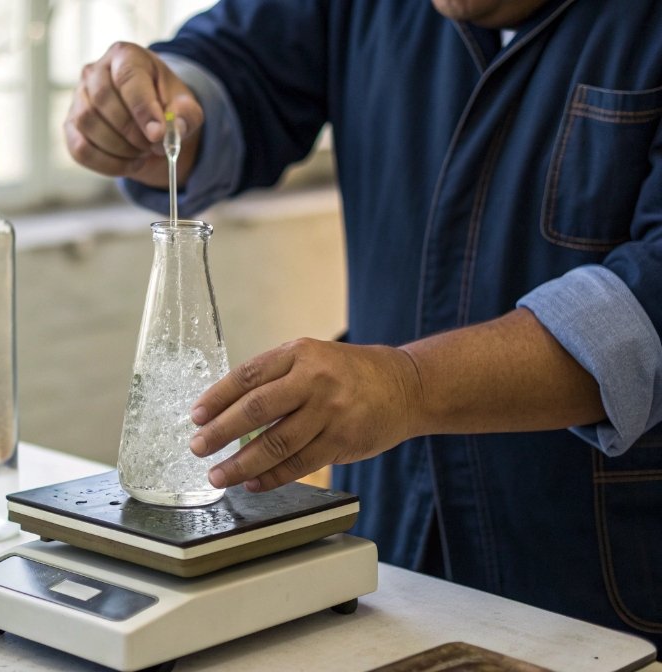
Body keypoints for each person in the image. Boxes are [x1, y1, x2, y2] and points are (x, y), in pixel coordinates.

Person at [64, 0, 662, 647]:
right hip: (391, 538)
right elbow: (239, 64)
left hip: (598, 580)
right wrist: (151, 117)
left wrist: (410, 384)